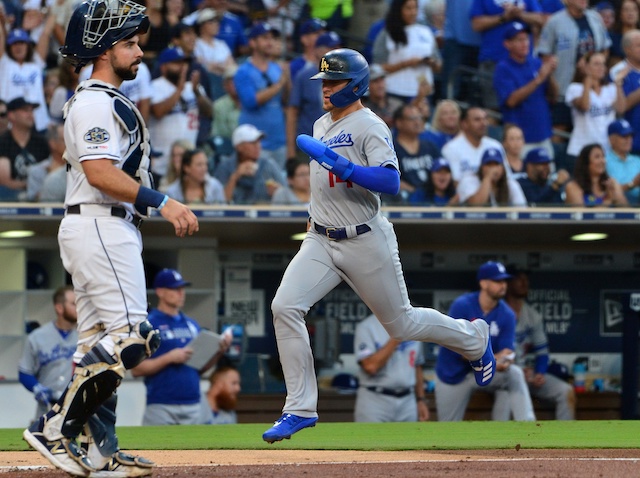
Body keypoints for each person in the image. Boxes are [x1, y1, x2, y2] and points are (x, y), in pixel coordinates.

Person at [261, 48, 495, 444]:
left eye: (334, 82)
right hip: (320, 237)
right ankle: (299, 408)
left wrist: (348, 169)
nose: (326, 89)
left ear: (355, 86)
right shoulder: (321, 123)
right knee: (284, 307)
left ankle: (474, 338)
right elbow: (322, 185)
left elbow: (391, 183)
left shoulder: (371, 126)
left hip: (364, 238)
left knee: (401, 324)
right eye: (324, 82)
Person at [22, 2, 199, 476]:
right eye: (129, 44)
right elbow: (100, 173)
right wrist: (165, 202)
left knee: (97, 347)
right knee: (133, 340)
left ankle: (101, 449)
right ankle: (54, 427)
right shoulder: (96, 101)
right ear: (103, 52)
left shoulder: (103, 98)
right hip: (100, 222)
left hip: (106, 225)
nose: (139, 51)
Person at [434, 261, 536, 422]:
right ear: (483, 283)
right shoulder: (463, 306)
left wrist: (504, 361)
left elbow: (507, 352)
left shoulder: (507, 314)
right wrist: (495, 359)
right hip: (453, 373)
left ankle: (528, 425)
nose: (503, 285)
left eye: (504, 281)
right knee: (447, 428)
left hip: (483, 370)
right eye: (497, 281)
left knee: (514, 373)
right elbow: (457, 349)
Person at [131, 269, 230, 425]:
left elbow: (200, 368)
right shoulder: (149, 324)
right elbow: (136, 369)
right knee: (156, 449)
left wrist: (219, 351)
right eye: (175, 289)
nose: (181, 293)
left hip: (192, 402)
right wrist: (169, 358)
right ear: (160, 292)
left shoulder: (191, 324)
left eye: (182, 289)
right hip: (161, 404)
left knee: (195, 449)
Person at [493, 264, 576, 421]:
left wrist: (539, 373)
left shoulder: (533, 316)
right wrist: (515, 370)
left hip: (527, 375)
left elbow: (542, 351)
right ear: (507, 284)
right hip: (500, 375)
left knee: (565, 391)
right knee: (505, 394)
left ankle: (567, 442)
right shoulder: (495, 313)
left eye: (526, 279)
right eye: (519, 279)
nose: (524, 283)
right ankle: (496, 443)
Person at [538, 0, 612, 135]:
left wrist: (594, 64)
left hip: (592, 88)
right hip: (563, 86)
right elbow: (544, 54)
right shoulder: (554, 22)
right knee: (560, 129)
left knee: (592, 129)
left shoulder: (595, 18)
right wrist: (552, 82)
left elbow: (605, 48)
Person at [494, 22, 558, 158]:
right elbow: (511, 101)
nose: (525, 43)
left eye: (526, 38)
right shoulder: (503, 68)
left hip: (543, 135)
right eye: (519, 40)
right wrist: (539, 79)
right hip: (520, 140)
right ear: (507, 44)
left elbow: (553, 96)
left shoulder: (535, 62)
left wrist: (549, 73)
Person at [149, 46, 212, 182]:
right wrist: (179, 89)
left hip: (189, 163)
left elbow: (209, 112)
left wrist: (196, 92)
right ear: (163, 67)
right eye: (176, 63)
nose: (183, 67)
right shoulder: (155, 87)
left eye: (184, 63)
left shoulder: (194, 87)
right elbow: (158, 112)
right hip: (162, 162)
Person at [353, 313, 429, 423]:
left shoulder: (413, 324)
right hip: (375, 400)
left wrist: (421, 399)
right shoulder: (367, 327)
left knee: (409, 440)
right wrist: (396, 337)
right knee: (371, 440)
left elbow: (417, 366)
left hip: (408, 401)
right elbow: (370, 367)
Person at [234, 22, 289, 169]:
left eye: (272, 38)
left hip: (278, 140)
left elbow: (285, 101)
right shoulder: (243, 71)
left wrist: (287, 80)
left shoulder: (277, 69)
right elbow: (250, 101)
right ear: (252, 42)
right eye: (264, 38)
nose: (270, 42)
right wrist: (278, 85)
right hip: (255, 144)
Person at [470, 0, 543, 110]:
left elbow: (540, 19)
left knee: (524, 108)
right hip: (493, 60)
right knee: (493, 110)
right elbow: (476, 24)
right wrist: (503, 17)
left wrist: (520, 14)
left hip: (523, 63)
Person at [18, 286, 78, 420]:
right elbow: (24, 371)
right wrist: (36, 387)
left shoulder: (86, 337)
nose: (78, 308)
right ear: (59, 308)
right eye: (74, 304)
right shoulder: (37, 337)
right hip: (47, 408)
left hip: (77, 408)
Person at [565, 51, 626, 171]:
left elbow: (621, 109)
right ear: (587, 67)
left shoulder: (610, 89)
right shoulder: (575, 88)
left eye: (603, 64)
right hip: (580, 150)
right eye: (596, 64)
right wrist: (587, 80)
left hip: (605, 150)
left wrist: (618, 85)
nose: (601, 68)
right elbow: (585, 106)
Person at [287, 31, 342, 161]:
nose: (336, 52)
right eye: (331, 48)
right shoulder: (305, 76)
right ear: (318, 51)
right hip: (308, 144)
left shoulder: (344, 78)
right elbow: (292, 112)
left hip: (336, 144)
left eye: (338, 48)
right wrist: (290, 151)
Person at [372, 0, 441, 103]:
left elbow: (439, 65)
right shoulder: (387, 33)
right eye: (408, 8)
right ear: (399, 10)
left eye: (415, 8)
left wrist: (431, 62)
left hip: (422, 91)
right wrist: (406, 64)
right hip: (395, 91)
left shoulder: (426, 31)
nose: (413, 12)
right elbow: (377, 67)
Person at [0, 20, 54, 132]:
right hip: (11, 124)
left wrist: (53, 9)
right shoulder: (4, 63)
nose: (18, 47)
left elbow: (45, 34)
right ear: (9, 47)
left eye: (22, 43)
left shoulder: (36, 63)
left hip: (38, 122)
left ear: (28, 45)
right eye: (14, 43)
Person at [213, 123, 286, 204]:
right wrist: (235, 176)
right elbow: (219, 203)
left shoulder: (269, 165)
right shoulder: (225, 166)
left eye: (258, 142)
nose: (258, 146)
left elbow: (289, 197)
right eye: (252, 143)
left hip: (264, 215)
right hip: (233, 215)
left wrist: (279, 192)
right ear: (239, 147)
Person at [0, 97, 49, 200]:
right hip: (9, 198)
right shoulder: (3, 142)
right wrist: (32, 183)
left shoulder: (41, 142)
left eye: (31, 110)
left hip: (40, 197)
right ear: (11, 115)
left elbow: (51, 170)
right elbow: (4, 181)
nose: (30, 114)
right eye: (25, 110)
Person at [441, 105, 506, 183]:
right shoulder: (451, 149)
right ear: (464, 124)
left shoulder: (495, 145)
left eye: (485, 119)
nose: (483, 123)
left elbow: (507, 178)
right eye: (477, 120)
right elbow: (455, 184)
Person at [392, 104, 441, 204]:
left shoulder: (430, 146)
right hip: (403, 201)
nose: (417, 122)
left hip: (432, 198)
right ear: (399, 122)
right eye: (412, 118)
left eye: (419, 118)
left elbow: (443, 171)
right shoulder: (392, 149)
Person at [457, 147, 528, 206]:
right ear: (482, 167)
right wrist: (487, 178)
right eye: (489, 165)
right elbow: (476, 206)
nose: (493, 169)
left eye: (496, 164)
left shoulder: (511, 184)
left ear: (503, 168)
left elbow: (522, 211)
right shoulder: (470, 181)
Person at [610, 30, 640, 156]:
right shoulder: (618, 72)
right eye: (639, 45)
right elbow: (622, 106)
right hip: (632, 140)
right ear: (627, 49)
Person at [26, 122, 67, 202]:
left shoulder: (80, 167)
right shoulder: (37, 171)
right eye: (65, 140)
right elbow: (34, 203)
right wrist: (52, 177)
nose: (71, 144)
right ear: (53, 143)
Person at [605, 119, 640, 204]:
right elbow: (606, 192)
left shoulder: (637, 160)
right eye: (624, 136)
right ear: (611, 139)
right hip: (617, 206)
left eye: (630, 136)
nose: (629, 140)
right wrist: (632, 184)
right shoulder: (604, 162)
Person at [361, 64, 404, 129]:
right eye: (375, 81)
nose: (380, 86)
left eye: (382, 80)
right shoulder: (363, 108)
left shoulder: (397, 104)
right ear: (367, 85)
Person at [609, 0, 639, 67]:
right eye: (626, 10)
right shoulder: (612, 37)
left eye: (634, 9)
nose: (630, 13)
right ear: (620, 13)